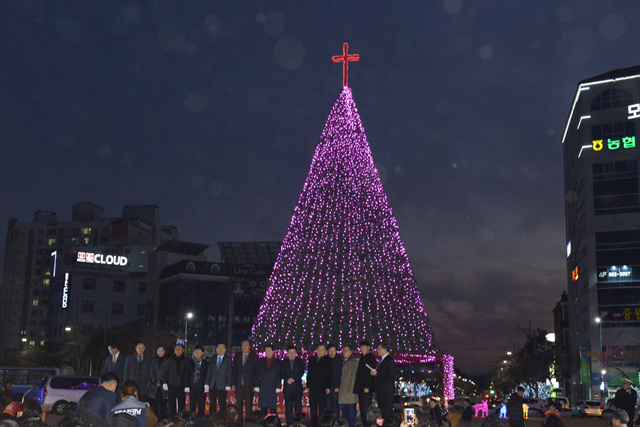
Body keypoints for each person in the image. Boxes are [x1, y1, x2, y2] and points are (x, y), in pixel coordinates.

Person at [231, 339, 258, 423]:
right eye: (243, 345)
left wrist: (255, 385)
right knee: (238, 405)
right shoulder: (237, 356)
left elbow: (256, 372)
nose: (244, 347)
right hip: (239, 384)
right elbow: (234, 371)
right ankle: (239, 423)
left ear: (250, 347)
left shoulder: (254, 357)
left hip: (249, 384)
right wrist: (233, 384)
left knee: (248, 405)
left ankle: (248, 423)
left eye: (246, 345)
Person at [307, 344, 333, 425]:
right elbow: (309, 374)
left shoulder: (328, 360)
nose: (323, 352)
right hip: (313, 389)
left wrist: (329, 387)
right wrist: (308, 385)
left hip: (323, 388)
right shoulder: (311, 360)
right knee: (313, 410)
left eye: (324, 350)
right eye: (321, 350)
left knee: (322, 411)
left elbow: (330, 375)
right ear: (317, 350)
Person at [162, 344, 190, 419]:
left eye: (179, 349)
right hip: (171, 384)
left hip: (181, 385)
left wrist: (187, 385)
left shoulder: (187, 360)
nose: (177, 350)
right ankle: (172, 419)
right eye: (176, 349)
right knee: (171, 405)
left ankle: (181, 419)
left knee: (181, 405)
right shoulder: (170, 359)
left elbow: (188, 374)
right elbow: (165, 372)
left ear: (183, 350)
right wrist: (165, 382)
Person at [280, 345, 305, 424]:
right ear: (287, 353)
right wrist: (287, 379)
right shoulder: (283, 362)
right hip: (288, 389)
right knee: (289, 409)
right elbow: (281, 373)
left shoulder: (300, 362)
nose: (292, 354)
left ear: (296, 353)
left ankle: (299, 425)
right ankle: (289, 425)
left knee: (298, 409)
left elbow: (301, 372)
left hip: (297, 388)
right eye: (290, 352)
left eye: (293, 352)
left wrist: (294, 379)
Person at [205, 342, 232, 414]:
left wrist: (228, 384)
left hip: (222, 385)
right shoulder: (212, 358)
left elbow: (229, 373)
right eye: (219, 347)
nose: (220, 349)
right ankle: (212, 420)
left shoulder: (228, 359)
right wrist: (206, 383)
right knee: (212, 404)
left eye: (222, 347)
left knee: (222, 405)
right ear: (216, 349)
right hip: (212, 384)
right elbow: (209, 371)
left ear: (225, 349)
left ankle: (222, 421)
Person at [353, 341, 376, 424]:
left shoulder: (370, 358)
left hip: (366, 389)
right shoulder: (362, 358)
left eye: (364, 347)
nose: (362, 349)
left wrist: (367, 386)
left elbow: (371, 374)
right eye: (361, 347)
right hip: (361, 388)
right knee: (362, 410)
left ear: (368, 348)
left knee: (366, 411)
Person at [370, 344, 395, 421]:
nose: (377, 351)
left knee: (386, 412)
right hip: (381, 391)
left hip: (386, 391)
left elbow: (390, 374)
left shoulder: (389, 360)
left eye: (379, 349)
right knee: (382, 411)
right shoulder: (382, 360)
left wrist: (377, 373)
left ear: (384, 350)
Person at [256, 344, 282, 416]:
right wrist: (257, 385)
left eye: (269, 350)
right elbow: (257, 373)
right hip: (263, 387)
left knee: (273, 408)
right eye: (266, 350)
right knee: (263, 408)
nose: (267, 352)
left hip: (273, 387)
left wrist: (278, 386)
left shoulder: (278, 362)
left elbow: (279, 375)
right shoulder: (261, 361)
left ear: (273, 351)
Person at [337, 345, 358, 427]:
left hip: (350, 391)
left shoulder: (354, 362)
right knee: (345, 413)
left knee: (351, 413)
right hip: (342, 391)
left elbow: (354, 377)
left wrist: (352, 389)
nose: (344, 353)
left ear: (350, 352)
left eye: (346, 351)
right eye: (343, 351)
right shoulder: (342, 362)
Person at [186, 346, 209, 417]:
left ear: (202, 353)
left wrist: (206, 384)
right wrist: (186, 385)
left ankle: (200, 420)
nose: (197, 353)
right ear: (193, 353)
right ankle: (192, 420)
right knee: (192, 405)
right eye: (195, 351)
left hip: (202, 386)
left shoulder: (206, 363)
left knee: (201, 405)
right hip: (192, 386)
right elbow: (186, 375)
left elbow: (208, 374)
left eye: (199, 352)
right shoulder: (190, 362)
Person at [150, 345, 169, 420]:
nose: (160, 352)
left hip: (164, 386)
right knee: (155, 404)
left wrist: (163, 381)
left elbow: (168, 372)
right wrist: (155, 381)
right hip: (154, 386)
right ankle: (155, 419)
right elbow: (151, 372)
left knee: (163, 404)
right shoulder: (153, 360)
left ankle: (162, 420)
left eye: (162, 350)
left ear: (164, 351)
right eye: (159, 350)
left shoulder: (168, 360)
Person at [326, 345, 342, 416]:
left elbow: (339, 375)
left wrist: (337, 386)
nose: (332, 352)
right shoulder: (326, 360)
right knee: (328, 408)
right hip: (327, 388)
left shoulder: (339, 360)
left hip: (335, 388)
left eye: (333, 351)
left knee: (335, 407)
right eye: (330, 351)